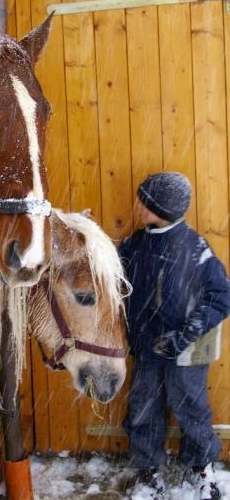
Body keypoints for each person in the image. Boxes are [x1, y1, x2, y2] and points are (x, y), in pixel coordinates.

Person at [119, 172, 230, 500]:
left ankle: (202, 466)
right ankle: (148, 469)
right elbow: (111, 270)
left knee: (191, 409)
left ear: (160, 208)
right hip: (146, 349)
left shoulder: (195, 248)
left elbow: (220, 296)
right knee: (142, 408)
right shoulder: (135, 244)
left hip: (185, 352)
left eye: (144, 201)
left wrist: (187, 334)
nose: (137, 205)